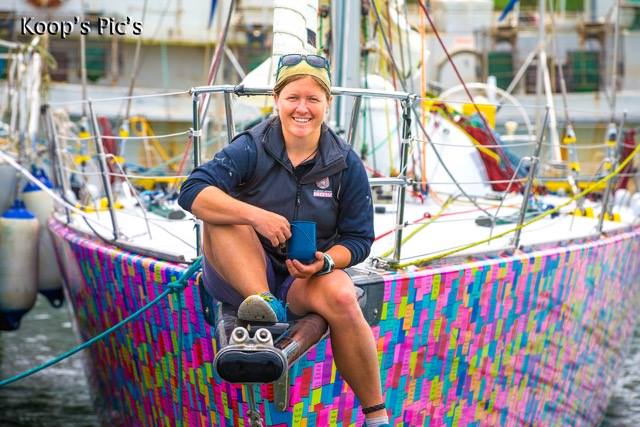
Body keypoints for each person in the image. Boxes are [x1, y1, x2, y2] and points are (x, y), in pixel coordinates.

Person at [178, 53, 389, 427]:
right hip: (239, 272)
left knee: (342, 295)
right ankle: (262, 302)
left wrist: (323, 262)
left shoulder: (345, 163)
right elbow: (192, 190)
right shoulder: (250, 147)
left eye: (313, 99)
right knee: (222, 215)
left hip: (301, 278)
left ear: (328, 103)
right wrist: (255, 216)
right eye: (293, 97)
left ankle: (377, 417)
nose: (302, 108)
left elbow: (359, 239)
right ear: (277, 100)